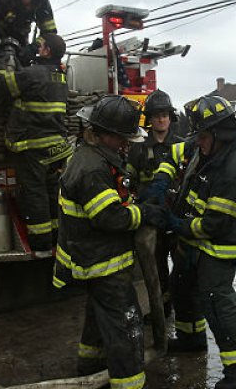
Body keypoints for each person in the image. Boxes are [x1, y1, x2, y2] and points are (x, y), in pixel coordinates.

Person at [52, 95, 167, 389]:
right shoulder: (92, 169)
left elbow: (114, 201)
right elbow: (110, 218)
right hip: (101, 261)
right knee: (125, 323)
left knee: (99, 313)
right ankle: (129, 383)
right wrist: (143, 213)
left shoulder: (95, 155)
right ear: (106, 134)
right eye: (123, 138)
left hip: (93, 258)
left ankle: (90, 362)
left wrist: (137, 202)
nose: (128, 144)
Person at [159, 95, 236, 389]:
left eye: (202, 136)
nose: (197, 142)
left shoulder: (232, 171)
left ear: (218, 134)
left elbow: (215, 225)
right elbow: (180, 156)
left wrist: (180, 226)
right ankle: (191, 339)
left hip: (216, 249)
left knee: (219, 306)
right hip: (195, 244)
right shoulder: (210, 152)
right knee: (182, 287)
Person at [3, 33, 71, 255]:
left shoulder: (32, 74)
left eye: (40, 45)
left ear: (47, 51)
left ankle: (41, 243)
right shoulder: (60, 77)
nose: (37, 47)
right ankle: (56, 238)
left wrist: (7, 59)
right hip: (56, 147)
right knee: (52, 192)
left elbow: (3, 87)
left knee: (35, 193)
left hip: (33, 146)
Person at [127, 89, 183, 317]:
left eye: (165, 115)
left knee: (182, 266)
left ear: (170, 117)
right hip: (151, 218)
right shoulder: (138, 148)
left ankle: (184, 308)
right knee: (156, 268)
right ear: (149, 118)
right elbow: (129, 181)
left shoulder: (181, 147)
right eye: (157, 115)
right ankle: (162, 309)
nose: (161, 119)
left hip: (177, 216)